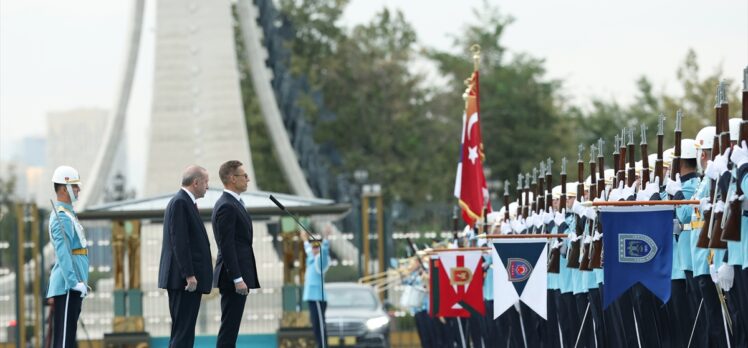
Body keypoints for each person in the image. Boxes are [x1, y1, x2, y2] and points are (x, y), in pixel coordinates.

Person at [158, 165, 213, 347]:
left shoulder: (184, 202)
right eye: (206, 182)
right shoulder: (181, 202)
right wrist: (189, 274)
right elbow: (180, 242)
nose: (208, 186)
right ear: (196, 182)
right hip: (183, 281)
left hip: (184, 280)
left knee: (184, 332)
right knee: (182, 334)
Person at [212, 160, 261, 347]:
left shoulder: (234, 203)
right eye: (244, 176)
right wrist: (237, 278)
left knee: (231, 328)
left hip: (237, 275)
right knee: (229, 329)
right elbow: (227, 246)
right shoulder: (227, 205)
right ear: (232, 179)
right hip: (232, 277)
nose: (248, 179)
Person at [47, 165, 89, 348]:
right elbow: (64, 255)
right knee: (64, 341)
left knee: (68, 339)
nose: (78, 189)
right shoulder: (62, 217)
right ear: (64, 188)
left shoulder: (68, 214)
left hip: (73, 286)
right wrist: (73, 282)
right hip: (67, 287)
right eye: (75, 186)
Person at [302, 228, 330, 348]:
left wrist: (326, 240)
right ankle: (320, 345)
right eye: (313, 246)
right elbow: (308, 249)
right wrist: (304, 239)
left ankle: (323, 346)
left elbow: (323, 252)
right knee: (315, 325)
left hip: (318, 297)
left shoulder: (321, 260)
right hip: (312, 297)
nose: (314, 248)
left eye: (317, 246)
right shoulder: (311, 258)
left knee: (320, 325)